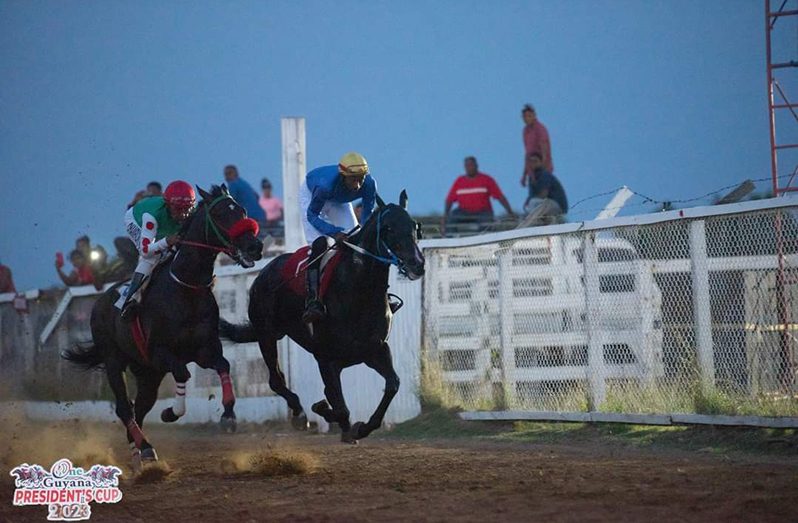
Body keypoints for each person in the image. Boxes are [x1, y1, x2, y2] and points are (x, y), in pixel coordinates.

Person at [300, 152, 376, 322]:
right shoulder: (325, 185)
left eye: (361, 178)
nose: (357, 185)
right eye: (353, 179)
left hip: (339, 199)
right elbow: (312, 215)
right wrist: (334, 232)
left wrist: (364, 234)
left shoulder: (370, 184)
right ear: (343, 177)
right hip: (312, 196)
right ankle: (313, 301)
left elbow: (367, 216)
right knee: (321, 245)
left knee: (356, 239)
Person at [118, 180, 196, 320]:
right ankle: (129, 298)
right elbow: (145, 250)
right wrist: (167, 241)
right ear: (168, 205)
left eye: (187, 209)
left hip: (162, 225)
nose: (183, 215)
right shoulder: (151, 217)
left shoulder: (191, 211)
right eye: (178, 209)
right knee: (152, 257)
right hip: (135, 219)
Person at [441, 156, 515, 235]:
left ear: (476, 165)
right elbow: (449, 200)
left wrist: (510, 212)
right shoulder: (459, 181)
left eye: (471, 165)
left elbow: (500, 197)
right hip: (464, 211)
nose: (469, 168)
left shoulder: (486, 179)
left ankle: (483, 242)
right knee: (451, 218)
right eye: (467, 166)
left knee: (486, 223)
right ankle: (452, 241)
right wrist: (445, 215)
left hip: (483, 211)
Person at [522, 152, 568, 225]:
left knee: (533, 202)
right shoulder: (532, 177)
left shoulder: (544, 174)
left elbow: (544, 194)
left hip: (555, 204)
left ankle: (528, 226)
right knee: (530, 206)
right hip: (543, 204)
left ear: (541, 162)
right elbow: (530, 197)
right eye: (531, 162)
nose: (533, 163)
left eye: (535, 161)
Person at [520, 104, 554, 188]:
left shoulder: (540, 129)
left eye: (529, 116)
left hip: (542, 168)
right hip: (532, 171)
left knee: (543, 193)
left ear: (534, 116)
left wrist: (543, 167)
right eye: (525, 116)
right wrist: (525, 175)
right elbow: (528, 153)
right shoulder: (526, 131)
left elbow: (544, 148)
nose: (527, 118)